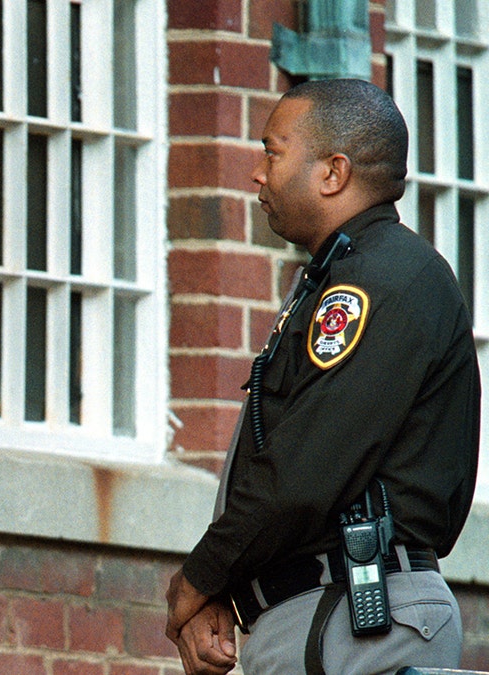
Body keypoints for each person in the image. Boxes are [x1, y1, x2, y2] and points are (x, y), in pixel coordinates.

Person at [165, 78, 481, 675]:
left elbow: (305, 471)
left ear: (332, 173)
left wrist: (199, 579)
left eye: (273, 151)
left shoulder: (381, 278)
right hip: (327, 613)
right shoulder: (350, 274)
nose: (258, 173)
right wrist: (228, 587)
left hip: (358, 615)